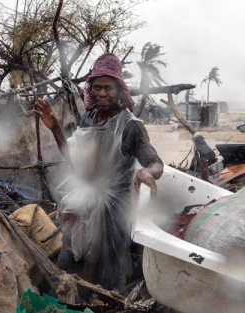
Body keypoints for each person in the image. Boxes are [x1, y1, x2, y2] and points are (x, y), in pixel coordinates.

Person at [35, 53, 164, 290]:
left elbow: (156, 163)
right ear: (90, 90)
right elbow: (74, 158)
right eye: (96, 88)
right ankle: (75, 294)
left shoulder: (131, 126)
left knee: (108, 261)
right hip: (85, 197)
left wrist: (147, 173)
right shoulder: (90, 117)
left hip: (114, 206)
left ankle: (107, 300)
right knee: (74, 253)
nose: (102, 94)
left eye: (108, 88)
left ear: (120, 91)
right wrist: (54, 128)